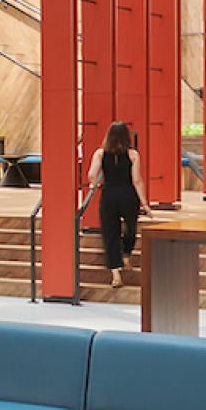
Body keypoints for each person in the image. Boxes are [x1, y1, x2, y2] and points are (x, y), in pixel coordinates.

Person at [87, 121, 152, 287]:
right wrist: (145, 204)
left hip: (109, 195)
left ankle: (116, 275)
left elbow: (92, 174)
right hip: (128, 195)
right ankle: (126, 256)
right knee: (130, 227)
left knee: (110, 233)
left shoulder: (100, 154)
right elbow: (137, 180)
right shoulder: (133, 154)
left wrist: (95, 184)